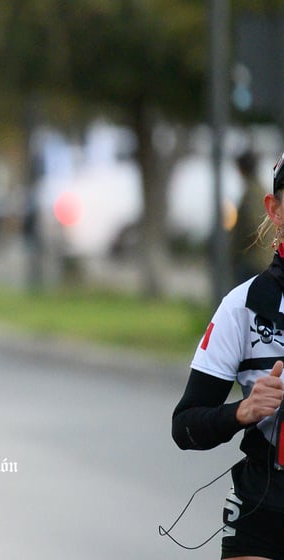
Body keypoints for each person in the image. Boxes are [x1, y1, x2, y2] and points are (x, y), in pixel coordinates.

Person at [172, 151, 284, 560]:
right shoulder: (242, 306)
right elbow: (184, 427)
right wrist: (244, 411)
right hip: (266, 503)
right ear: (274, 210)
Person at [233, 150, 270, 283]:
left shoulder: (251, 195)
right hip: (266, 261)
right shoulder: (262, 191)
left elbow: (254, 227)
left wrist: (236, 250)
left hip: (254, 263)